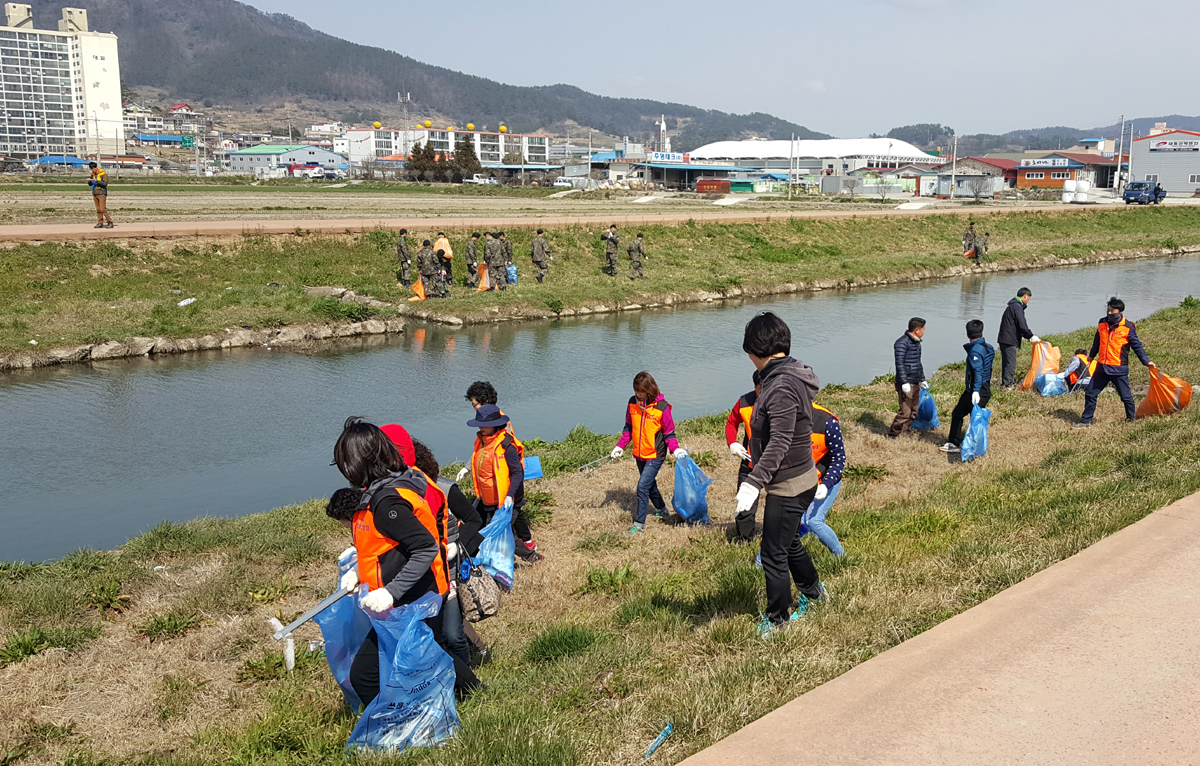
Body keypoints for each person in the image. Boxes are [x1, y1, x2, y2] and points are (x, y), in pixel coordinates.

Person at [328, 417, 479, 705]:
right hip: (413, 598)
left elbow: (424, 548)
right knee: (428, 651)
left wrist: (389, 593)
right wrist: (359, 572)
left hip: (411, 601)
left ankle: (395, 725)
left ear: (357, 463)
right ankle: (471, 692)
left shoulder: (387, 503)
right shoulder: (385, 492)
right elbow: (391, 550)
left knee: (366, 675)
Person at [735, 311, 824, 636]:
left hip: (789, 483)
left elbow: (781, 440)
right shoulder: (787, 375)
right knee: (786, 544)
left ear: (756, 351)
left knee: (772, 554)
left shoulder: (782, 385)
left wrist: (752, 483)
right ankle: (814, 593)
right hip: (799, 477)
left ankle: (777, 621)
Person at [410, 437, 488, 668]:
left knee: (453, 627)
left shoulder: (443, 489)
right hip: (425, 568)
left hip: (451, 562)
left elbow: (474, 519)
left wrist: (456, 546)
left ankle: (472, 665)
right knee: (446, 624)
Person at [610, 371, 687, 533]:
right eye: (636, 391)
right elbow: (628, 428)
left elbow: (669, 433)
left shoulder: (662, 407)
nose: (638, 395)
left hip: (655, 455)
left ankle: (639, 524)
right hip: (639, 454)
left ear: (649, 390)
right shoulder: (632, 403)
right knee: (650, 485)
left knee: (642, 487)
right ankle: (662, 509)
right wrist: (620, 446)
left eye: (641, 392)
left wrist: (675, 449)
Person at [469, 404, 542, 563]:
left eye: (485, 425)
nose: (481, 427)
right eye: (480, 424)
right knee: (499, 532)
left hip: (507, 499)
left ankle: (532, 557)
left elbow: (517, 473)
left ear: (495, 425)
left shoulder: (507, 445)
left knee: (501, 532)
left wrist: (509, 496)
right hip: (488, 498)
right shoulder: (482, 442)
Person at [1078, 297, 1156, 426]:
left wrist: (1146, 361)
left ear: (1120, 311)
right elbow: (1097, 340)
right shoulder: (1102, 323)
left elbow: (1137, 346)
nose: (1109, 313)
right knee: (1091, 393)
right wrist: (1091, 355)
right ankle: (1086, 421)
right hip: (1102, 367)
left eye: (1112, 311)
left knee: (1126, 397)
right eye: (1107, 310)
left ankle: (1131, 419)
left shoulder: (1128, 327)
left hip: (1118, 368)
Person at [941, 319, 995, 454]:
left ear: (967, 334)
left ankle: (964, 445)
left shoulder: (975, 352)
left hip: (976, 389)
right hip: (984, 387)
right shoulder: (989, 347)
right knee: (969, 415)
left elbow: (978, 372)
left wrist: (975, 391)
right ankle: (971, 444)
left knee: (964, 415)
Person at [727, 370, 761, 543]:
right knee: (744, 502)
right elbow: (731, 422)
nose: (763, 393)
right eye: (760, 389)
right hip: (750, 462)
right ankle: (745, 538)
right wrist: (732, 442)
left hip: (778, 463)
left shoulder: (783, 402)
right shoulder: (744, 402)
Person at [889, 317, 927, 440]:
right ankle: (893, 434)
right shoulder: (901, 343)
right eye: (923, 329)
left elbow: (918, 363)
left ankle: (905, 433)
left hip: (916, 380)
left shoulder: (917, 343)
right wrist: (904, 382)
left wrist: (922, 379)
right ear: (917, 330)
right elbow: (899, 364)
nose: (924, 331)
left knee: (913, 411)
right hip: (907, 382)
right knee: (905, 412)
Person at [997, 288, 1040, 388]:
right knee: (1011, 363)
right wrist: (1030, 336)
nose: (1028, 301)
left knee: (1006, 362)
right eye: (1029, 298)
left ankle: (1005, 384)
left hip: (1004, 338)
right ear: (1025, 296)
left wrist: (1027, 336)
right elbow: (1022, 324)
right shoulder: (1017, 307)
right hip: (1009, 339)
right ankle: (1007, 385)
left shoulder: (1012, 306)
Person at [88, 162, 113, 229]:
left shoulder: (103, 174)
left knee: (103, 209)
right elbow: (91, 184)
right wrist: (89, 181)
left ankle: (109, 222)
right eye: (91, 169)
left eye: (92, 168)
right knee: (98, 209)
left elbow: (105, 183)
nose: (92, 170)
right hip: (95, 192)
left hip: (102, 193)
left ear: (95, 167)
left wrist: (96, 181)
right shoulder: (93, 175)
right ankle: (100, 222)